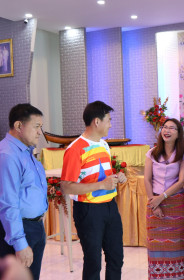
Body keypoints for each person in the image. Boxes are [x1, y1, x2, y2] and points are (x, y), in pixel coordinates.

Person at [60, 101, 126, 280]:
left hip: (110, 208)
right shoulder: (75, 149)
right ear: (97, 122)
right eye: (109, 120)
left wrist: (117, 177)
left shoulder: (104, 145)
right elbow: (66, 186)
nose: (111, 124)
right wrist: (101, 185)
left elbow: (103, 176)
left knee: (116, 258)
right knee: (93, 261)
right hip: (88, 210)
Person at [0, 103, 48, 280]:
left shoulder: (25, 152)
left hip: (33, 226)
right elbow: (8, 203)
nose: (39, 133)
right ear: (19, 125)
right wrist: (20, 243)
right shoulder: (8, 155)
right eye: (36, 127)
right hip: (18, 229)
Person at [144, 118, 184, 280]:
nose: (167, 130)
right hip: (153, 204)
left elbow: (182, 181)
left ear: (178, 134)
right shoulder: (151, 153)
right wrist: (153, 202)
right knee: (155, 247)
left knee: (175, 247)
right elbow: (147, 180)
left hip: (175, 206)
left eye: (172, 128)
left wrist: (162, 198)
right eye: (165, 127)